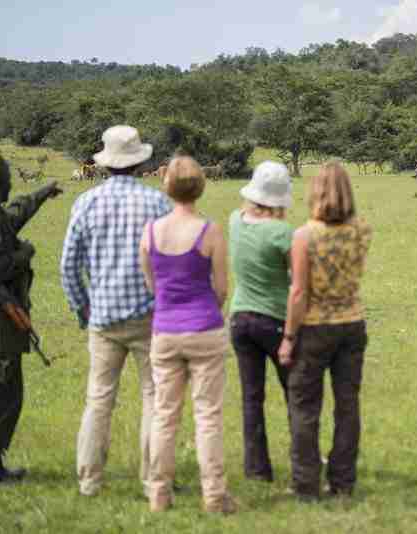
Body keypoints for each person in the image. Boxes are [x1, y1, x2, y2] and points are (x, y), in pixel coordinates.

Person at [60, 125, 171, 497]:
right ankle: (152, 480)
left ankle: (90, 481)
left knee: (98, 398)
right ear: (140, 163)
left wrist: (82, 307)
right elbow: (171, 261)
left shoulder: (85, 202)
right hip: (149, 316)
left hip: (103, 317)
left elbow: (68, 266)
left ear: (105, 164)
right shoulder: (157, 203)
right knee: (154, 398)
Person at [139, 156, 236, 514]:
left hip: (165, 331)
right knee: (207, 415)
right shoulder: (209, 230)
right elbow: (222, 289)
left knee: (165, 415)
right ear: (201, 187)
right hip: (205, 328)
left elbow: (152, 284)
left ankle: (158, 495)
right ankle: (213, 495)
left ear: (166, 186)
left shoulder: (150, 232)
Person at [0, 151, 62, 488]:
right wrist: (23, 254)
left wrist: (41, 193)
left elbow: (12, 217)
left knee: (8, 390)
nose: (10, 185)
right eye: (7, 180)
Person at [278, 162, 372, 500]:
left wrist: (288, 337)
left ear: (315, 191)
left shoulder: (304, 235)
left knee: (305, 407)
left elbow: (299, 291)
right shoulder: (362, 229)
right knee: (347, 406)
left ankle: (306, 485)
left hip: (315, 328)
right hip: (351, 324)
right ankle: (343, 482)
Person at [228, 161, 294, 482]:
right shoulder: (282, 233)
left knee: (252, 396)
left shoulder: (234, 220)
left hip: (240, 318)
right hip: (276, 321)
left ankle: (256, 470)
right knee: (296, 393)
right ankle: (304, 460)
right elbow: (298, 279)